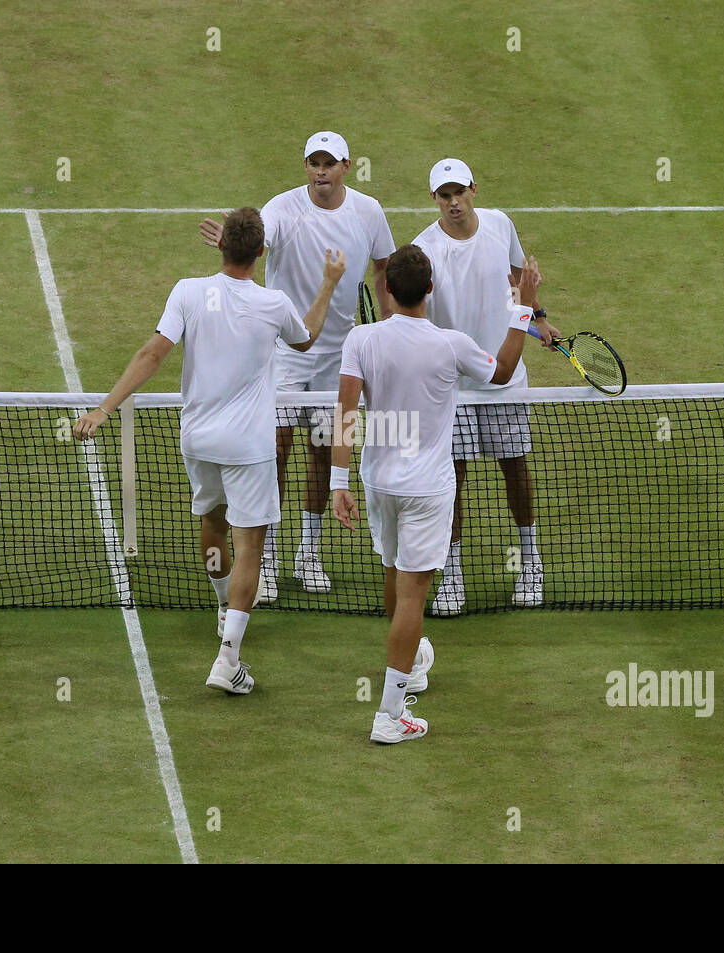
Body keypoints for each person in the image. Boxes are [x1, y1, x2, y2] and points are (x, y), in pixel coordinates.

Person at [77, 208, 346, 694]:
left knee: (213, 525)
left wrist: (104, 409)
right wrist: (329, 282)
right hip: (248, 445)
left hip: (198, 440)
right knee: (251, 547)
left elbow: (152, 354)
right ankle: (228, 658)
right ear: (262, 253)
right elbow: (307, 340)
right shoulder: (274, 304)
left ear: (220, 245)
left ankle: (224, 607)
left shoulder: (187, 291)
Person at [331, 244, 538, 743]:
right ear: (430, 289)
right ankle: (388, 714)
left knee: (394, 576)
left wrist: (339, 482)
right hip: (427, 489)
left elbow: (345, 412)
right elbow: (504, 372)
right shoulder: (452, 344)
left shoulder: (360, 339)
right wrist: (523, 307)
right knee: (412, 596)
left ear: (386, 289)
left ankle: (412, 663)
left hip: (378, 482)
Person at [200, 132, 395, 604]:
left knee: (325, 453)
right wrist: (234, 238)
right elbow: (257, 245)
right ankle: (262, 562)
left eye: (329, 163)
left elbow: (383, 267)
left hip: (339, 356)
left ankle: (308, 553)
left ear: (346, 165)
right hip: (286, 349)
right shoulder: (282, 208)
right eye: (314, 163)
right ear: (305, 166)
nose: (321, 171)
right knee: (275, 452)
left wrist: (390, 327)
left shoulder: (368, 212)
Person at [411, 158, 562, 615]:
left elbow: (517, 279)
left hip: (504, 376)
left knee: (515, 467)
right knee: (450, 480)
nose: (453, 202)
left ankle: (531, 563)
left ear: (474, 189)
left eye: (459, 192)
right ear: (434, 198)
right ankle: (452, 575)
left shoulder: (500, 225)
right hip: (451, 387)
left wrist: (537, 318)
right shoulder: (423, 250)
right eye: (444, 195)